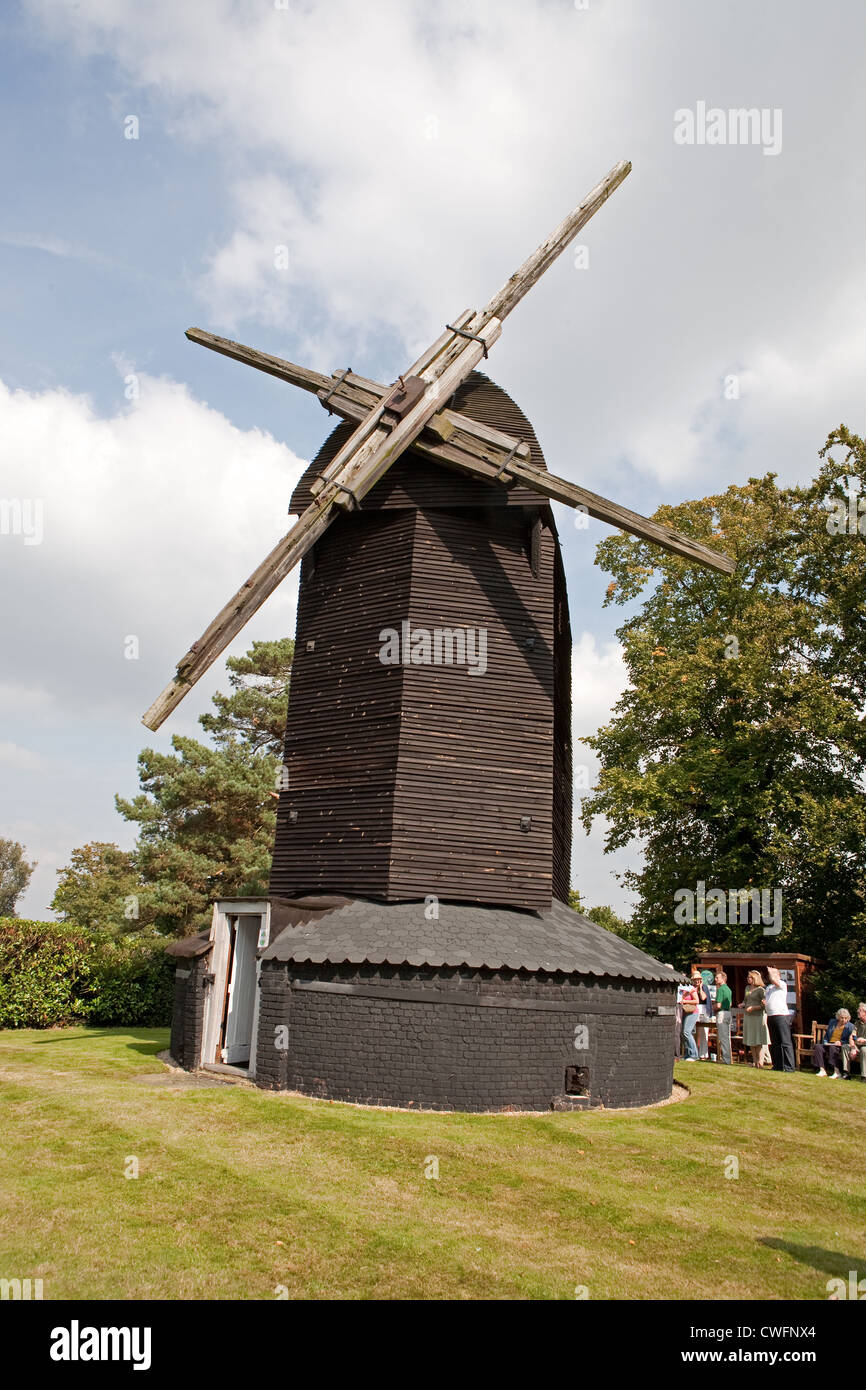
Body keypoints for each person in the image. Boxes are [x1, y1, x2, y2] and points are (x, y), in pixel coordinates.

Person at [764, 966, 796, 1072]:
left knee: (785, 1042)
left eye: (773, 974)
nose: (770, 976)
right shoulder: (769, 987)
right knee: (775, 1043)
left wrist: (772, 971)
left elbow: (775, 980)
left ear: (778, 975)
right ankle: (778, 1065)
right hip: (771, 1015)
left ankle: (789, 1067)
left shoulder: (782, 984)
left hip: (781, 1015)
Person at [813, 1009, 855, 1078]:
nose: (843, 1020)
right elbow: (827, 1035)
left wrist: (840, 1042)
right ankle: (822, 1070)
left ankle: (837, 1072)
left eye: (845, 1018)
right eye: (842, 1018)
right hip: (830, 1043)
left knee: (833, 1048)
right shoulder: (832, 1022)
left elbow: (850, 1039)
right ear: (838, 1017)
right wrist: (826, 1042)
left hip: (840, 1046)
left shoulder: (850, 1026)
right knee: (818, 1046)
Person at [741, 969, 770, 1066]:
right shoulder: (747, 988)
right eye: (748, 977)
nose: (748, 978)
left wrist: (753, 1007)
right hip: (748, 1016)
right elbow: (745, 1000)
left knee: (759, 1040)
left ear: (755, 978)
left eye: (750, 977)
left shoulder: (761, 990)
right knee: (751, 1039)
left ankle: (760, 1062)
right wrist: (743, 1004)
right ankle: (754, 1061)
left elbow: (764, 1005)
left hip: (757, 1016)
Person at [713, 969, 733, 1064]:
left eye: (717, 977)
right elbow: (730, 1003)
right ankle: (728, 1058)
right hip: (728, 1013)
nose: (715, 979)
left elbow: (718, 1005)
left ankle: (726, 1059)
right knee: (727, 1037)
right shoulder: (728, 989)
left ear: (723, 979)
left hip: (722, 1013)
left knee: (723, 1037)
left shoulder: (721, 989)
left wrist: (712, 1007)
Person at [681, 974, 700, 1060]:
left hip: (693, 1012)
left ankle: (694, 1055)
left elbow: (697, 1000)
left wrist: (684, 1000)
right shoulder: (681, 988)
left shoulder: (691, 988)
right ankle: (688, 1054)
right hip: (685, 1012)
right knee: (684, 1033)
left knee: (686, 1032)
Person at [845, 1003, 866, 1081]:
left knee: (864, 1049)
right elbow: (851, 1037)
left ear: (865, 1012)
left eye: (859, 1011)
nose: (857, 1011)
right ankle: (846, 1073)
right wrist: (853, 1048)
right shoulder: (857, 1023)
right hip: (858, 1046)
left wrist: (864, 1040)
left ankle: (864, 1076)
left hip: (865, 1046)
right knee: (845, 1046)